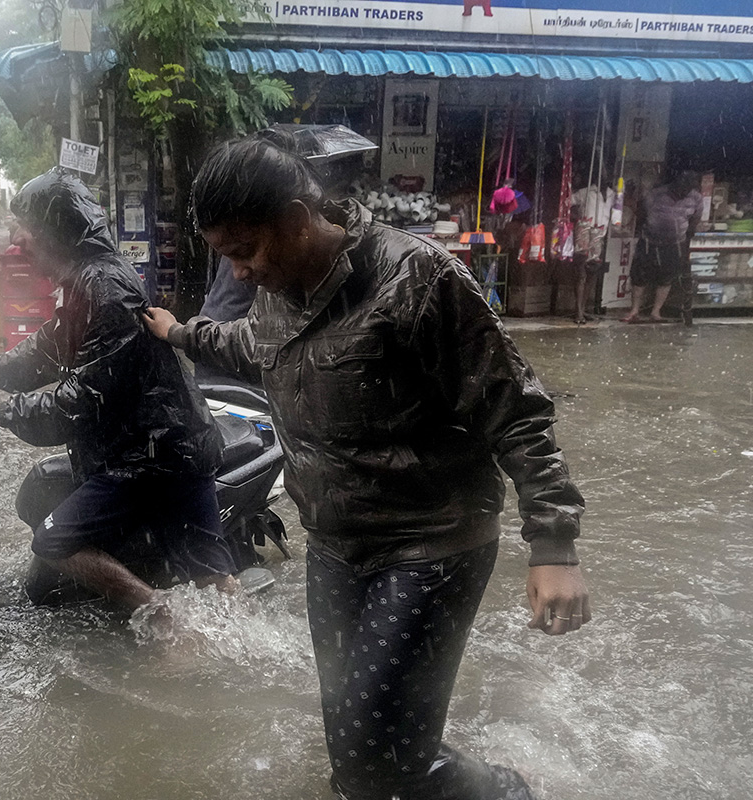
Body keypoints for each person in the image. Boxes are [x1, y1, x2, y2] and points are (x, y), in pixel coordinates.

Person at [143, 136, 591, 800]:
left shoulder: (419, 279)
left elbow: (516, 407)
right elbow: (254, 345)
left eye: (244, 251)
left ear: (298, 219)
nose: (237, 273)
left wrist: (553, 544)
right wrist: (181, 333)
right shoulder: (279, 288)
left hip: (430, 542)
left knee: (375, 766)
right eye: (224, 256)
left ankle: (505, 790)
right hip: (335, 545)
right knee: (354, 739)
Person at [0, 168, 238, 615]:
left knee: (52, 541)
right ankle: (228, 660)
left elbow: (82, 400)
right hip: (164, 444)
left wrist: (0, 412)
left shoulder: (103, 288)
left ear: (55, 230)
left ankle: (159, 614)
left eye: (26, 228)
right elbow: (44, 352)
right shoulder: (86, 280)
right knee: (218, 589)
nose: (18, 241)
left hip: (154, 457)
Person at [623, 171, 703, 324]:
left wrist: (685, 238)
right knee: (639, 276)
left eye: (686, 189)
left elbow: (695, 219)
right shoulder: (657, 194)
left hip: (674, 243)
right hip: (649, 240)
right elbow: (642, 213)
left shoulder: (696, 198)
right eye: (681, 188)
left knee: (666, 277)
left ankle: (656, 312)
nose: (683, 192)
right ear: (675, 184)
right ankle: (634, 310)